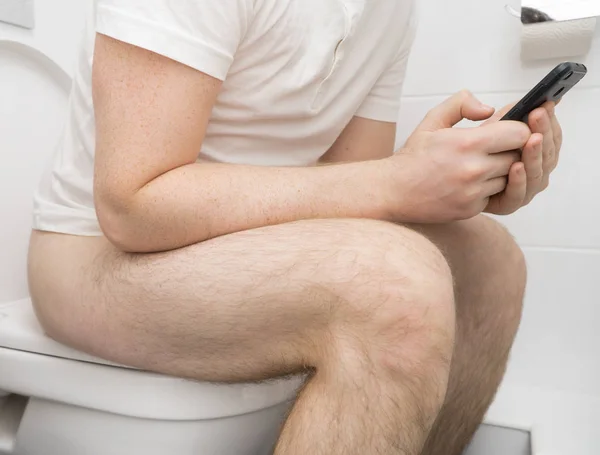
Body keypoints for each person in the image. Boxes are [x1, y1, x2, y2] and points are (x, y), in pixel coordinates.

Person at [27, 0, 562, 454]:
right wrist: (397, 182)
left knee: (492, 261)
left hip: (237, 242)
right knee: (397, 287)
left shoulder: (392, 10)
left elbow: (354, 187)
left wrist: (450, 180)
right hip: (92, 257)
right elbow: (132, 203)